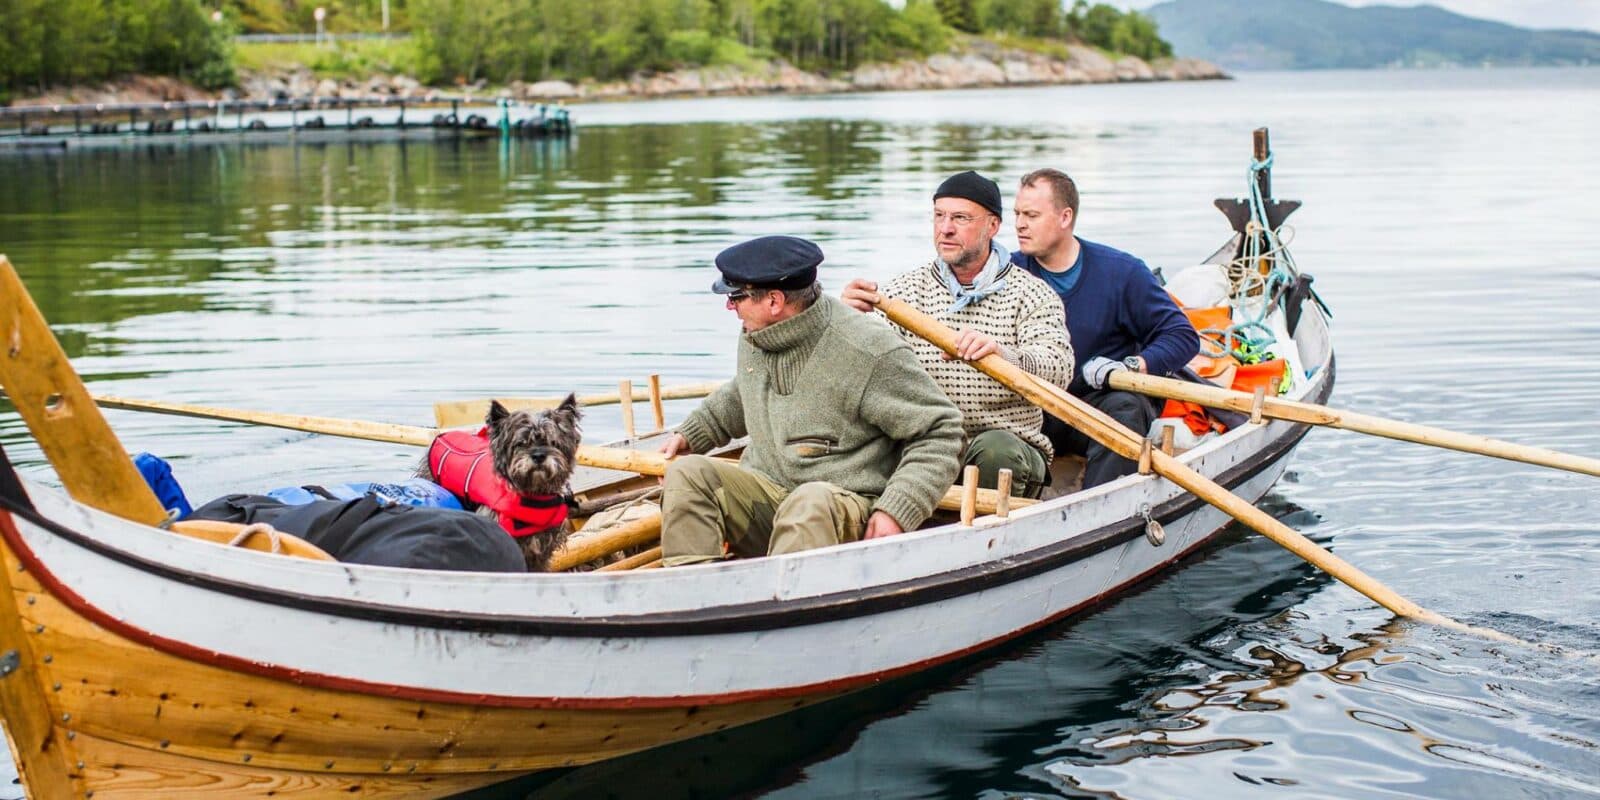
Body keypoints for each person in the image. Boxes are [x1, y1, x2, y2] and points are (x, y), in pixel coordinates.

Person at [658, 235, 964, 567]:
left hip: (839, 508)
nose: (730, 306)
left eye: (736, 296)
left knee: (809, 502)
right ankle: (697, 599)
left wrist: (898, 508)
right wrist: (694, 432)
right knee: (687, 474)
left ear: (774, 301)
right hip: (768, 492)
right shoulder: (757, 333)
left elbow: (941, 432)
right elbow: (745, 388)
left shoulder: (869, 350)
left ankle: (783, 609)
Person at [842, 171, 1071, 498]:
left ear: (993, 226)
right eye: (939, 216)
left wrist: (1001, 354)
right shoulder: (903, 293)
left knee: (996, 452)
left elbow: (1059, 371)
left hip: (1003, 446)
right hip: (926, 445)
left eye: (961, 218)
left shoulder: (1033, 294)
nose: (945, 228)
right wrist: (846, 321)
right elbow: (854, 371)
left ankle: (985, 539)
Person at [1011, 168, 1200, 488]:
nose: (1019, 224)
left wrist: (1130, 366)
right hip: (1036, 409)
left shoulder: (1122, 273)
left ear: (1064, 217)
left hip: (1099, 406)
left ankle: (1100, 507)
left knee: (1126, 405)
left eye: (1031, 215)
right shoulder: (1009, 273)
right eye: (1016, 214)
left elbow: (1182, 336)